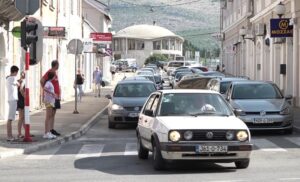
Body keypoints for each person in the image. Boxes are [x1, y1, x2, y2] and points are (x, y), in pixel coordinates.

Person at [40, 60, 61, 137]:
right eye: (58, 65)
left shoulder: (55, 73)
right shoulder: (50, 72)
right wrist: (46, 91)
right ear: (55, 65)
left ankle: (51, 129)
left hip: (55, 96)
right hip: (51, 97)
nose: (58, 66)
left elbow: (57, 84)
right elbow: (42, 80)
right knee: (49, 115)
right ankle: (48, 131)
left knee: (53, 113)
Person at [6, 65, 19, 142]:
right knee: (10, 119)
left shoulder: (9, 78)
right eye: (16, 72)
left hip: (11, 99)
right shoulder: (13, 78)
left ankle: (10, 135)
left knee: (10, 118)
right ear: (14, 72)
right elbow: (18, 84)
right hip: (13, 99)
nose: (17, 74)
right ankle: (9, 136)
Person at [43, 71, 58, 139]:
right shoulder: (48, 83)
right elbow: (45, 88)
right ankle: (46, 133)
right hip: (48, 101)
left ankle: (48, 132)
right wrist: (52, 93)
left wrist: (54, 95)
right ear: (52, 76)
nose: (55, 77)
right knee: (48, 117)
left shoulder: (50, 83)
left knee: (49, 117)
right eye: (54, 76)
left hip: (51, 101)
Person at [17, 71, 26, 139]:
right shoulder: (23, 81)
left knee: (23, 117)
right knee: (21, 118)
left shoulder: (18, 81)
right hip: (21, 100)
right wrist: (25, 97)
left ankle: (26, 132)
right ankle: (19, 133)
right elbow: (20, 90)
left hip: (20, 100)